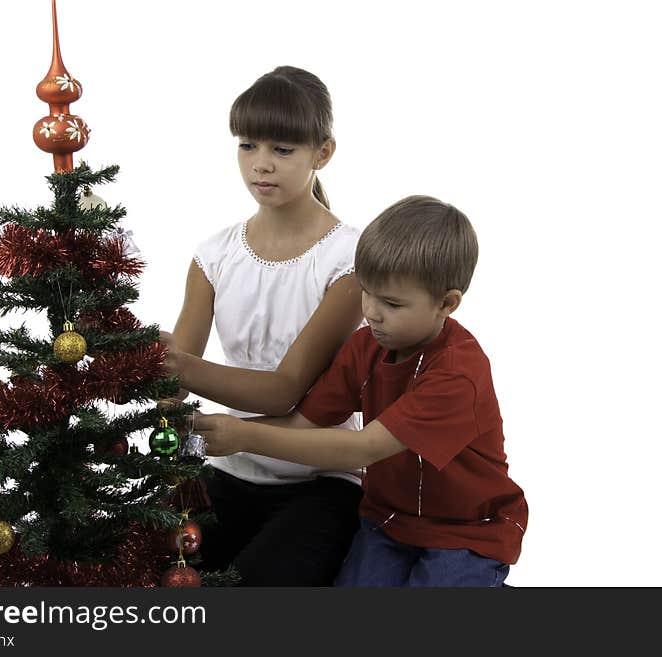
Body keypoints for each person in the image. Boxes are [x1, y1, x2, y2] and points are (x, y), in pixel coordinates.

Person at [196, 196, 528, 587]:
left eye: (391, 302)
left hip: (466, 528)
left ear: (447, 303)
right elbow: (303, 421)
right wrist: (214, 429)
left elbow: (364, 448)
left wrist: (244, 436)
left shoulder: (457, 373)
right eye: (367, 292)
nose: (371, 311)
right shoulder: (365, 346)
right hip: (387, 520)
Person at [159, 66, 364, 586]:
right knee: (156, 573)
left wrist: (179, 366)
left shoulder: (351, 260)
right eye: (248, 146)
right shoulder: (215, 254)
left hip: (319, 481)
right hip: (227, 471)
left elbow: (283, 391)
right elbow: (173, 385)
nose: (261, 165)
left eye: (283, 150)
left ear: (323, 153)